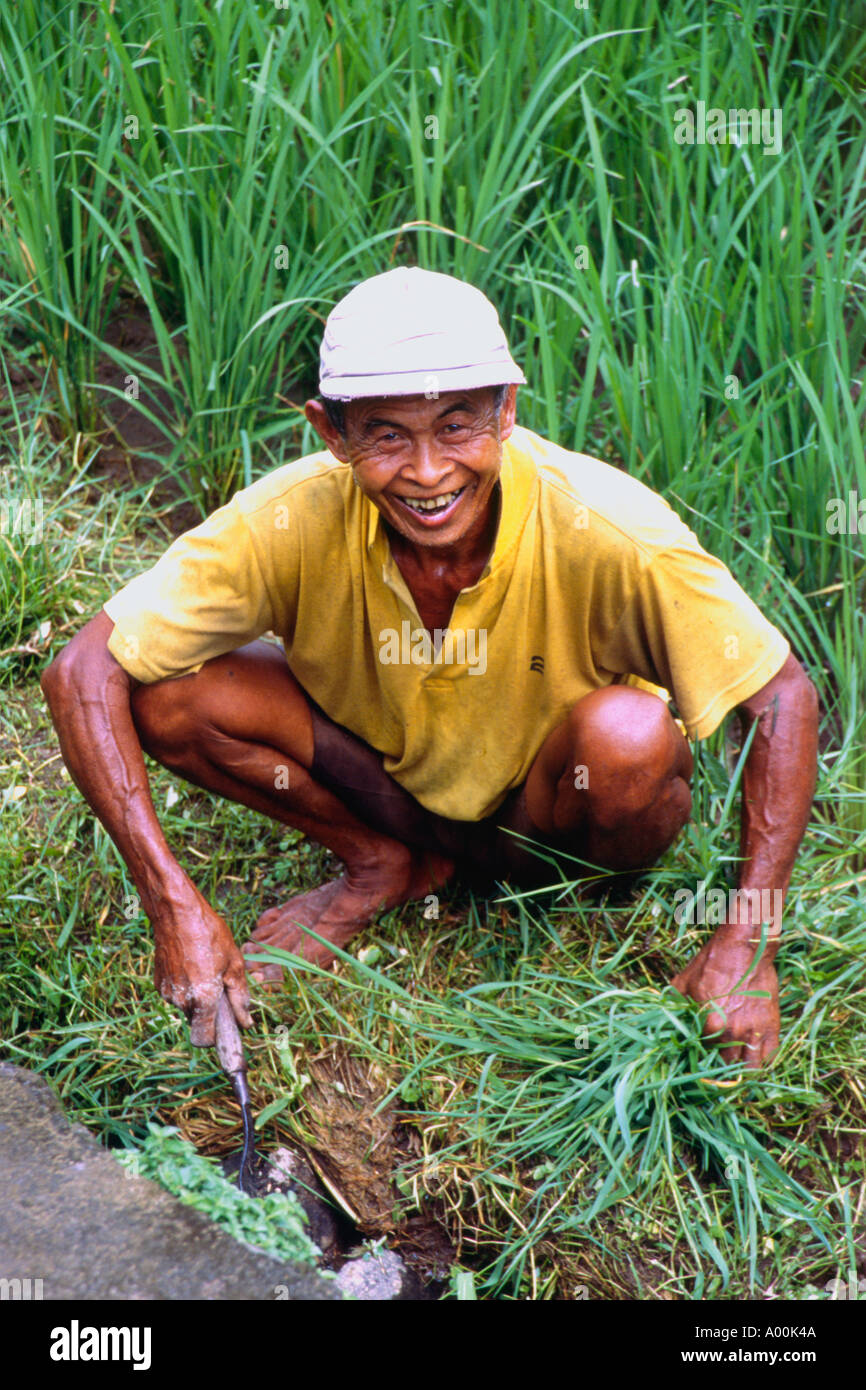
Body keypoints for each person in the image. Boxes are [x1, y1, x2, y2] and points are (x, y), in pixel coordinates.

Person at [41, 267, 817, 1069]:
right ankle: (384, 862)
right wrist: (172, 902)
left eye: (456, 426)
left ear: (506, 412)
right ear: (330, 432)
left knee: (630, 739)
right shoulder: (291, 517)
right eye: (385, 436)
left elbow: (783, 698)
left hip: (549, 821)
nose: (427, 471)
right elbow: (80, 672)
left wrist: (746, 945)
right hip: (388, 793)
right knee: (169, 696)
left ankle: (544, 896)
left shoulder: (609, 530)